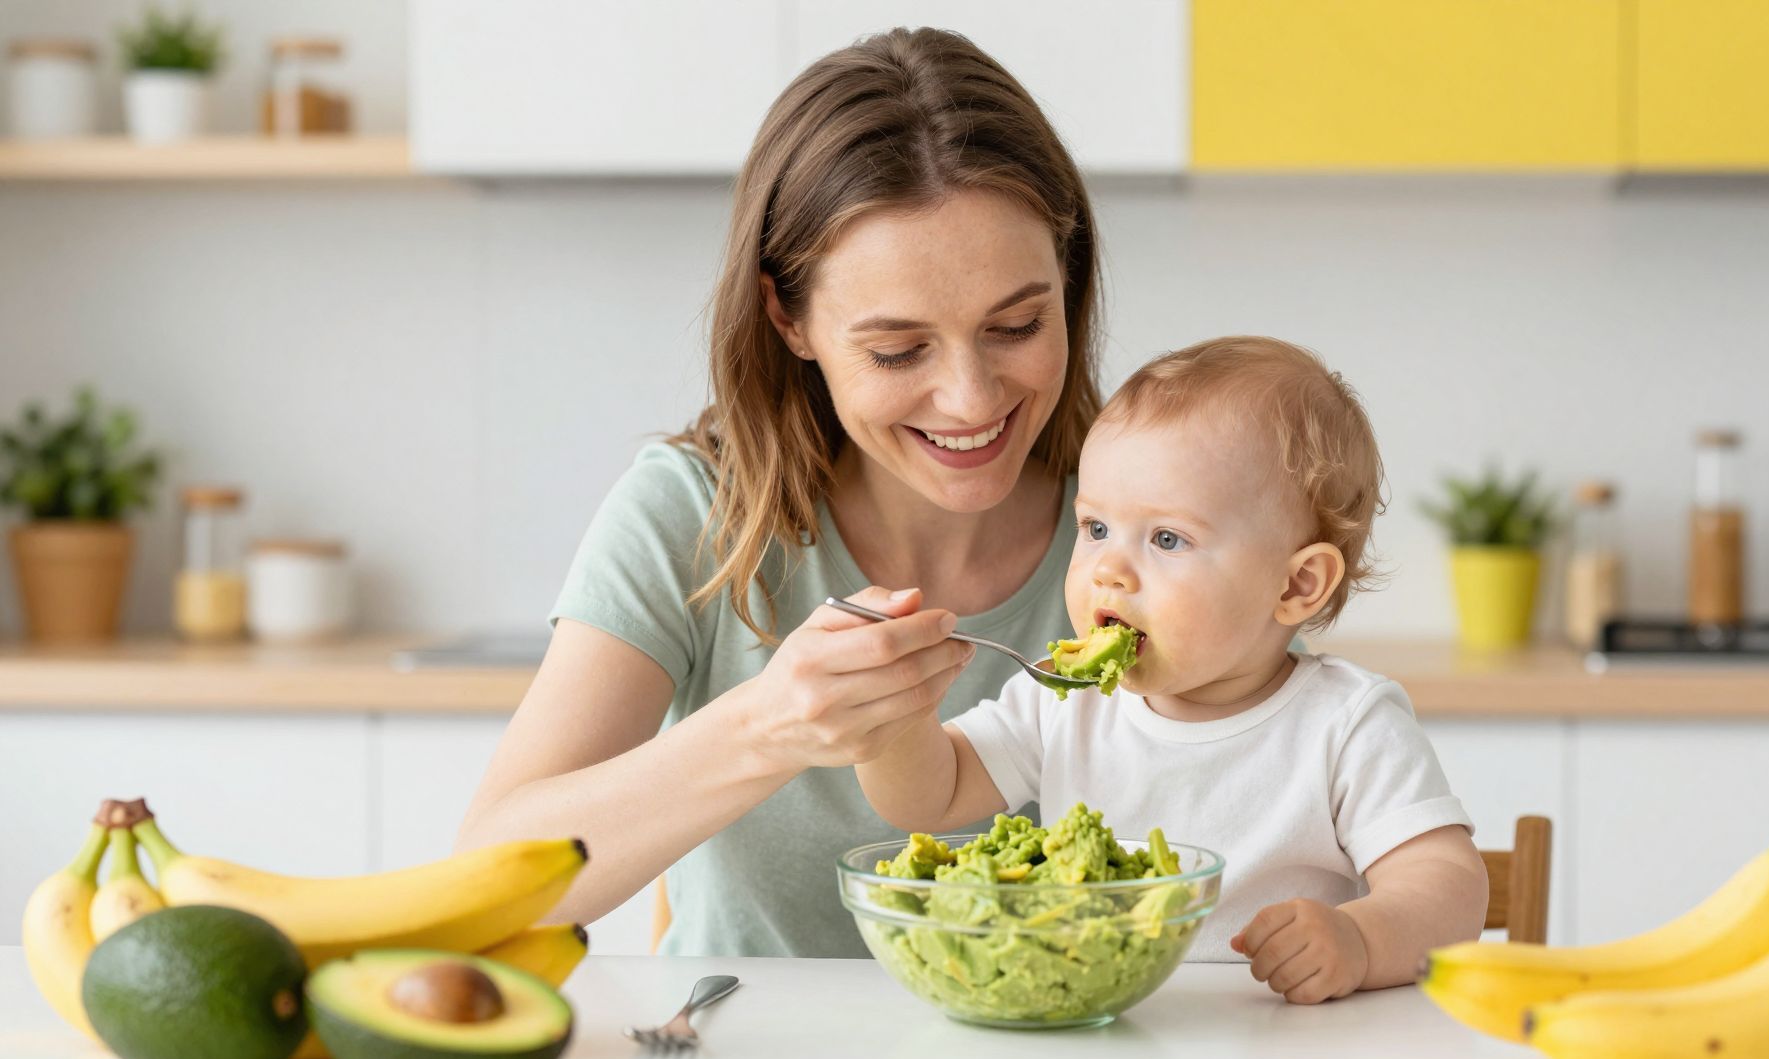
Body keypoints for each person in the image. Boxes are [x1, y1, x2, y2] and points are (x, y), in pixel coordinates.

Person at [456, 27, 1105, 958]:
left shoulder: (1153, 522)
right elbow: (489, 878)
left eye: (1017, 324)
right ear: (787, 316)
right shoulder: (695, 515)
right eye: (897, 350)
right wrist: (767, 726)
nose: (970, 398)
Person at [853, 337, 1491, 1003]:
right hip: (1103, 1022)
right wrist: (890, 716)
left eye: (1166, 540)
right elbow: (929, 795)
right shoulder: (1063, 699)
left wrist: (1361, 941)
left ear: (1297, 584)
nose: (1108, 569)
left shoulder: (1347, 724)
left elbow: (1449, 887)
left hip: (1283, 1051)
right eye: (1096, 528)